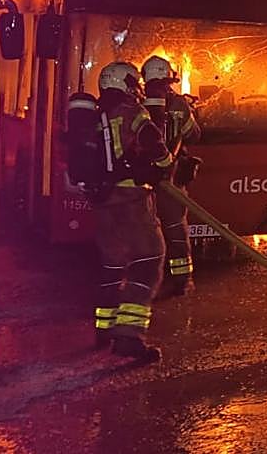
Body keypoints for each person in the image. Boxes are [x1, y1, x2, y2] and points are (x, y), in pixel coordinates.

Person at [88, 61, 174, 362]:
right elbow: (153, 141)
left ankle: (104, 328)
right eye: (133, 83)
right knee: (149, 260)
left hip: (102, 202)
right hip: (131, 199)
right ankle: (128, 335)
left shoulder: (94, 115)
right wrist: (165, 166)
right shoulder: (133, 113)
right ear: (126, 84)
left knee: (112, 265)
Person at [141, 55, 202, 296]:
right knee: (175, 229)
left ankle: (144, 281)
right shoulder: (178, 104)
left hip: (141, 181)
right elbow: (194, 135)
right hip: (172, 179)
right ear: (169, 78)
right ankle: (181, 281)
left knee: (144, 230)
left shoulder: (136, 103)